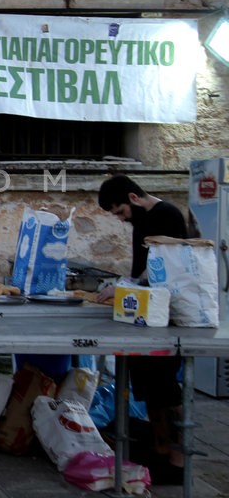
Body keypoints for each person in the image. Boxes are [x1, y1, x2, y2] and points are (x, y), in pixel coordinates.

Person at [96, 174, 187, 485]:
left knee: (164, 387)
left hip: (164, 313)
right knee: (147, 385)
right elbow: (140, 267)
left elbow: (162, 264)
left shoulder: (167, 215)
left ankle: (177, 456)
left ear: (133, 198)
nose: (122, 219)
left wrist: (126, 287)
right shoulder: (142, 222)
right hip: (144, 313)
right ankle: (160, 449)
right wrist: (125, 285)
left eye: (120, 212)